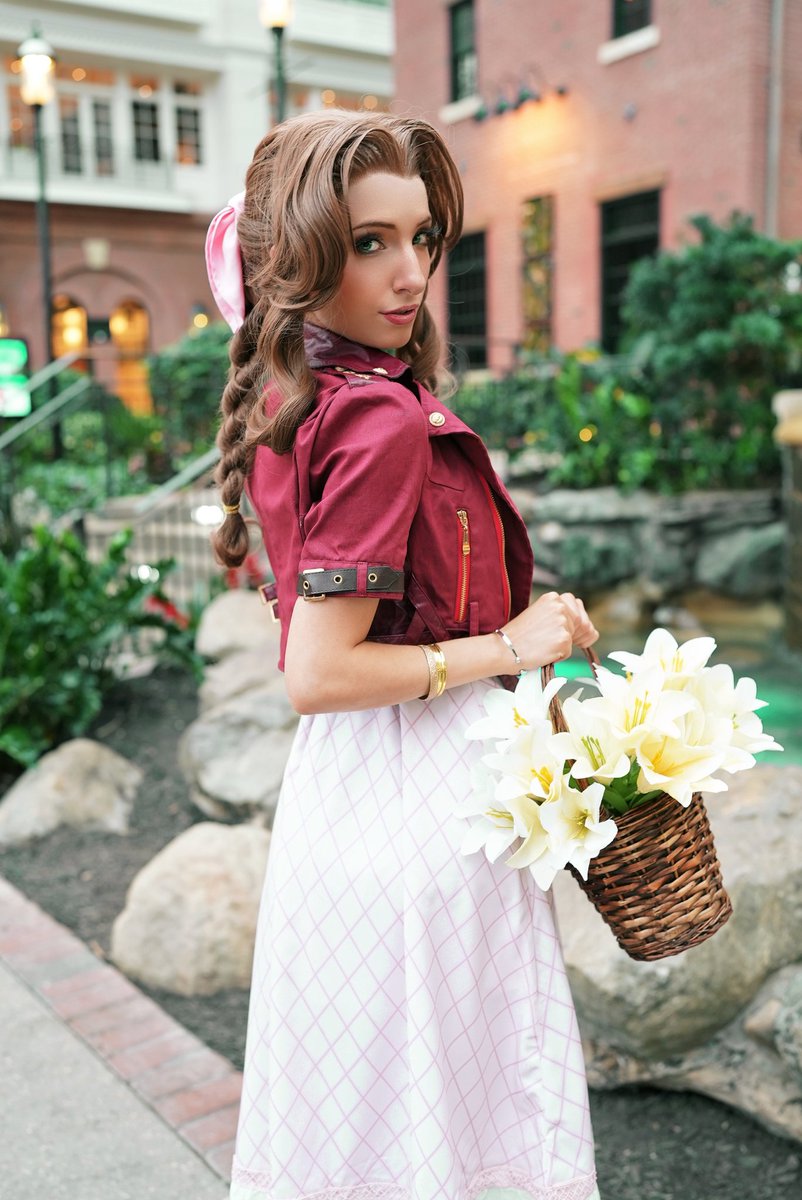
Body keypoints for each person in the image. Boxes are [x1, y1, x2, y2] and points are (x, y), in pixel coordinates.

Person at [205, 110, 601, 1200]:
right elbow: (319, 675)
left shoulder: (307, 401)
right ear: (303, 252)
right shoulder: (376, 420)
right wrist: (506, 645)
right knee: (456, 1122)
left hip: (344, 811)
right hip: (423, 804)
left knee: (366, 1123)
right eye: (369, 241)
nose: (408, 272)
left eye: (420, 238)